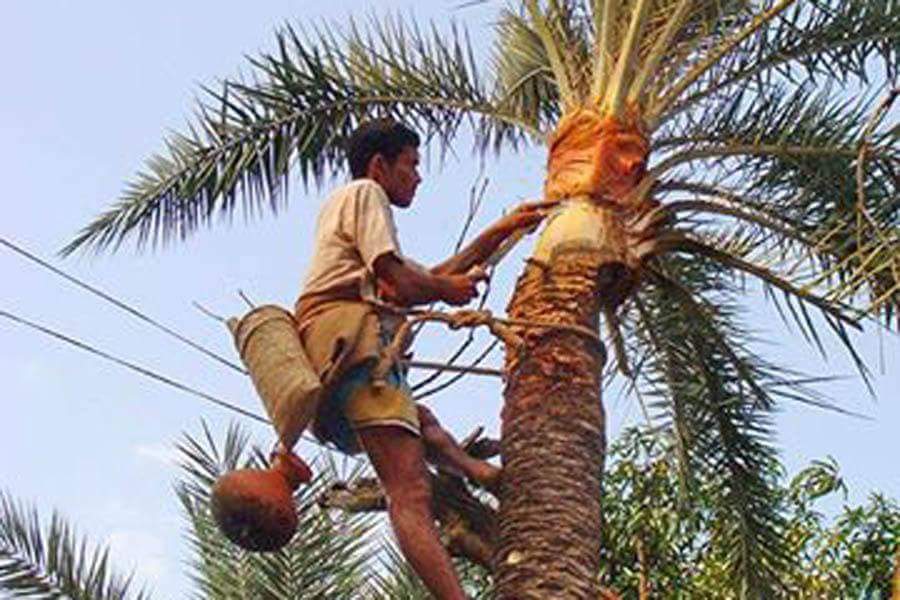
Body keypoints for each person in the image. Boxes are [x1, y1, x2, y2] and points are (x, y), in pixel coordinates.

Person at [295, 119, 548, 599]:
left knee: (424, 423)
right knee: (409, 493)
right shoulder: (366, 193)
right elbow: (402, 285)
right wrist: (446, 291)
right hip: (354, 358)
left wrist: (502, 229)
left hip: (339, 378)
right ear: (379, 165)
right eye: (411, 164)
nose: (418, 176)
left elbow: (426, 277)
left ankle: (486, 475)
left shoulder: (345, 217)